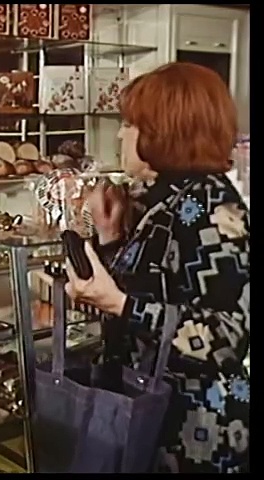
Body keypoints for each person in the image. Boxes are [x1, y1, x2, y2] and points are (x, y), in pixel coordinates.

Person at [64, 63, 249, 473]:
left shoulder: (213, 208)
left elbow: (225, 337)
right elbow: (155, 288)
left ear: (164, 131)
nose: (120, 135)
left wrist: (122, 306)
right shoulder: (164, 199)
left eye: (130, 124)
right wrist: (110, 238)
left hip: (196, 434)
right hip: (151, 415)